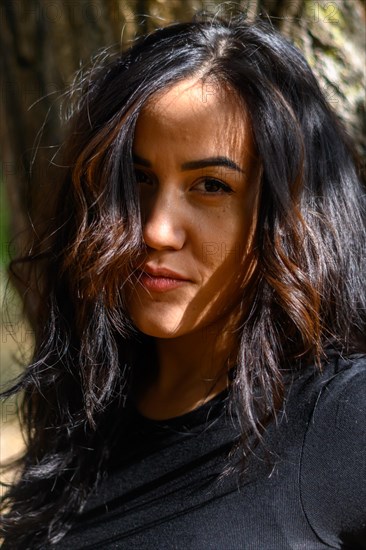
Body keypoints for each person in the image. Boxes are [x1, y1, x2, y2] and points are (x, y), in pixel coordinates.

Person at [1, 13, 366, 550]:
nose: (155, 229)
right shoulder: (84, 423)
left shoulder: (342, 420)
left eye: (211, 186)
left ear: (291, 216)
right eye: (138, 179)